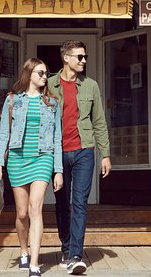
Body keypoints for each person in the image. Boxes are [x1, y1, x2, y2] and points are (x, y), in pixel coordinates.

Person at [0, 59, 64, 277]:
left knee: (36, 209)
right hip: (17, 159)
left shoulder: (52, 103)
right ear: (29, 74)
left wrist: (58, 169)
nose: (45, 77)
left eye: (46, 73)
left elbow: (57, 138)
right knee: (22, 213)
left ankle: (34, 263)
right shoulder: (13, 100)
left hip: (43, 158)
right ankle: (23, 249)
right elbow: (3, 134)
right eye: (41, 73)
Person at [49, 41, 110, 275]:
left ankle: (76, 254)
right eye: (79, 57)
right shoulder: (50, 85)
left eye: (85, 57)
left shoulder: (91, 86)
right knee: (62, 203)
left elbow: (99, 122)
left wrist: (105, 154)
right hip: (57, 152)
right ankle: (66, 245)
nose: (84, 60)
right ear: (66, 58)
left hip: (85, 150)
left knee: (80, 202)